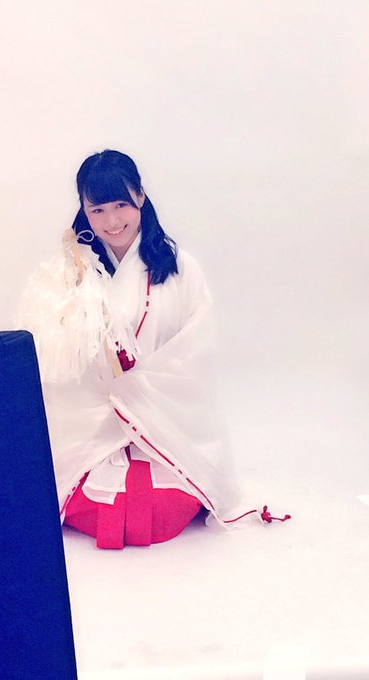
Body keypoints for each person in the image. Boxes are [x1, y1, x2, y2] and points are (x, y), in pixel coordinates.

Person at [18, 149, 241, 549]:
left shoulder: (181, 268)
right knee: (98, 505)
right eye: (97, 210)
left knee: (163, 510)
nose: (111, 221)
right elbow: (58, 357)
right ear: (84, 210)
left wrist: (139, 392)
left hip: (166, 418)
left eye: (121, 204)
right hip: (95, 420)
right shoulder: (73, 270)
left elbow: (195, 353)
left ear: (140, 195)